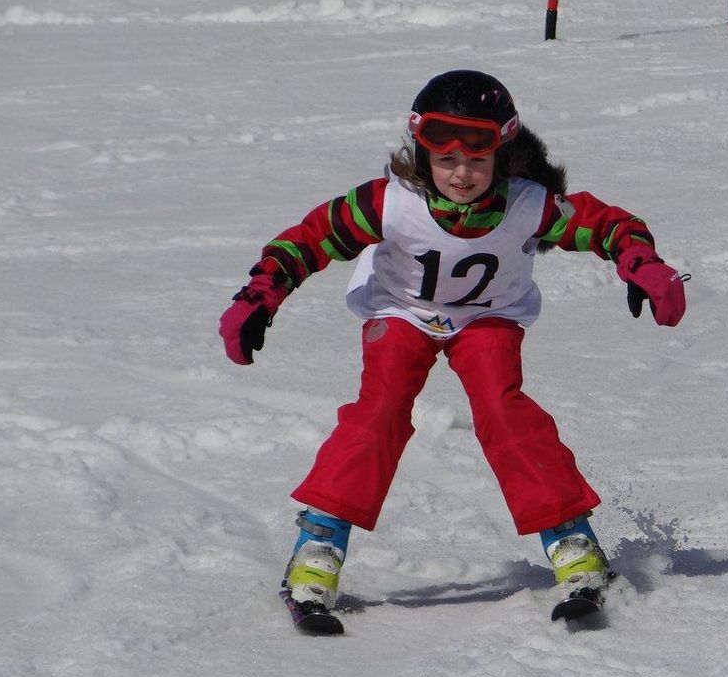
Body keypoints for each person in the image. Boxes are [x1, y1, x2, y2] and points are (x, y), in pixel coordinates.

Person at [219, 70, 686, 616]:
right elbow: (308, 240)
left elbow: (606, 225)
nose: (462, 174)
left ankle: (570, 540)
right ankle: (319, 543)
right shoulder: (388, 204)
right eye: (446, 161)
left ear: (502, 154)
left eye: (477, 161)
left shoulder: (529, 205)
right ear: (421, 155)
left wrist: (643, 266)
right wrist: (259, 297)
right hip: (403, 313)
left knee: (503, 410)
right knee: (380, 411)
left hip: (488, 318)